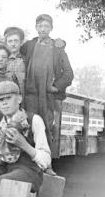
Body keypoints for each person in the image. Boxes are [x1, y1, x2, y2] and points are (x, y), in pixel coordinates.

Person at [20, 14, 73, 175]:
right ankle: (24, 165)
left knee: (46, 128)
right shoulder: (28, 45)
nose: (43, 29)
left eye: (46, 26)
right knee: (26, 126)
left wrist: (55, 88)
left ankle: (47, 167)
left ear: (51, 28)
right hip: (29, 94)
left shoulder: (57, 49)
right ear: (36, 27)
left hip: (47, 97)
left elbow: (68, 74)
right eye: (40, 26)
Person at [4, 26, 26, 95]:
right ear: (6, 43)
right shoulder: (2, 61)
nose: (13, 44)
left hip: (25, 100)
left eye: (16, 41)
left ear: (21, 42)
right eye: (10, 41)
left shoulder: (27, 60)